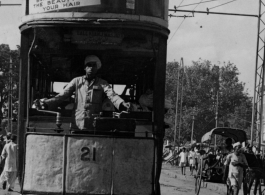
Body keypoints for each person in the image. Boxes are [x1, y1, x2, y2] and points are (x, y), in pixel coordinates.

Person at [35, 55, 130, 130]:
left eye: (94, 65)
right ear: (85, 68)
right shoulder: (76, 81)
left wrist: (122, 104)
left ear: (97, 68)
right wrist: (47, 103)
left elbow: (112, 94)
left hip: (95, 125)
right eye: (89, 65)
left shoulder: (102, 83)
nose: (91, 68)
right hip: (77, 124)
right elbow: (63, 95)